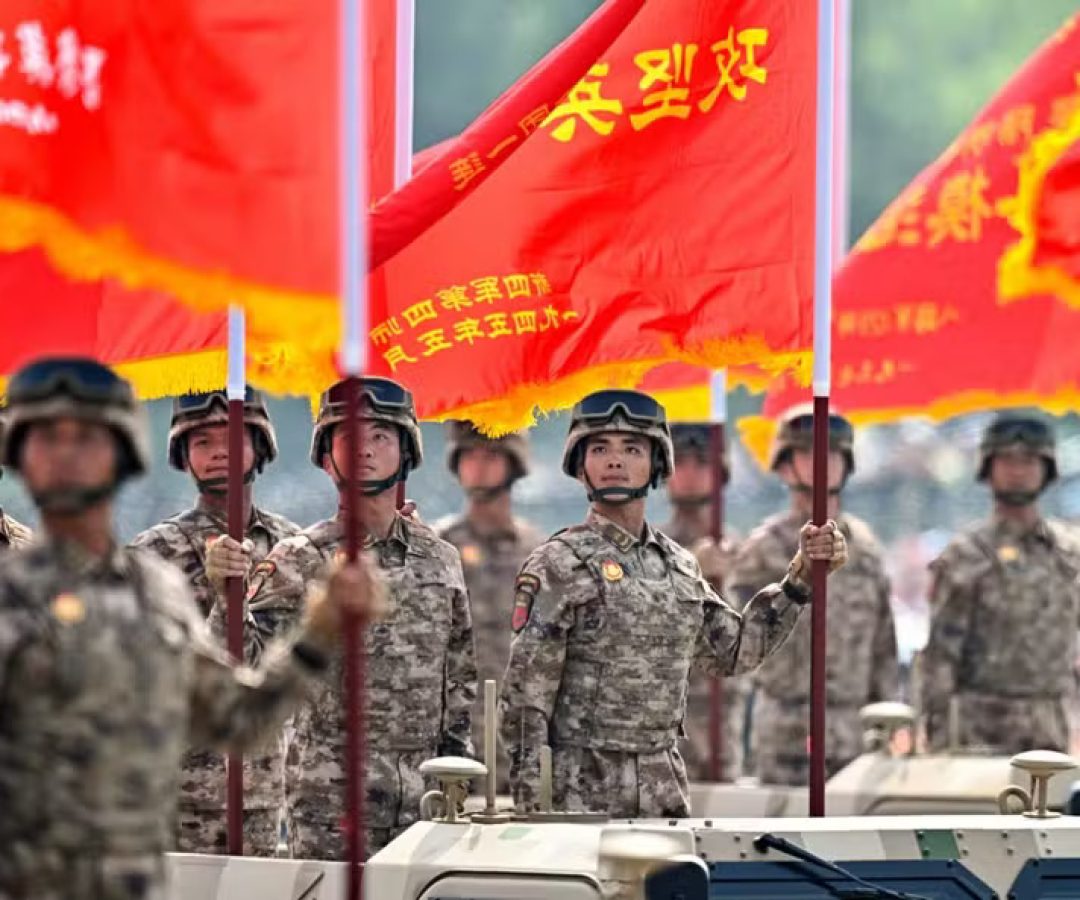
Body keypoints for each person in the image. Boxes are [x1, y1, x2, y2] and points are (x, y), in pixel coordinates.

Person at [0, 356, 379, 897]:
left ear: (122, 454)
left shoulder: (155, 592)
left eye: (86, 438)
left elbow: (238, 719)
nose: (66, 456)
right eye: (46, 439)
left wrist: (317, 635)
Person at [500, 389, 848, 817]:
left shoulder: (679, 565)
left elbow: (734, 652)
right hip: (581, 791)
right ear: (580, 464)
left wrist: (798, 582)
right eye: (600, 448)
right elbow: (525, 701)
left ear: (655, 465)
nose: (615, 461)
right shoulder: (557, 564)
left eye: (632, 449)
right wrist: (533, 809)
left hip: (662, 788)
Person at [243, 376, 477, 858]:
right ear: (328, 457)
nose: (365, 450)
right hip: (330, 800)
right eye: (350, 437)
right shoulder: (297, 559)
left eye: (380, 437)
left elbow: (461, 682)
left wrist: (460, 777)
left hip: (426, 799)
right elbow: (246, 672)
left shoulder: (440, 558)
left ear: (406, 453)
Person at [130, 387, 301, 855]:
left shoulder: (293, 548)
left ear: (259, 445)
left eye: (232, 436)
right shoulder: (152, 555)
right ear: (184, 457)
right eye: (202, 441)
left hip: (270, 796)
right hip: (179, 801)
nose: (219, 451)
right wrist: (219, 598)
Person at [728, 404, 897, 785]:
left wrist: (888, 718)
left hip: (855, 732)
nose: (824, 463)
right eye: (808, 453)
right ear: (785, 467)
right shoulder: (763, 550)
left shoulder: (865, 548)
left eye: (834, 454)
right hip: (786, 731)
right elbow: (735, 643)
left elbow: (883, 646)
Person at [921, 412, 1080, 753]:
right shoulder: (965, 554)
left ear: (1046, 469)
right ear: (989, 469)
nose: (1018, 471)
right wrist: (936, 738)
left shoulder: (1069, 554)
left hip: (1051, 726)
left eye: (1028, 461)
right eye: (1007, 460)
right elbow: (940, 657)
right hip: (978, 732)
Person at [435, 421, 541, 789]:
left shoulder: (538, 553)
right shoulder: (439, 550)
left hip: (520, 738)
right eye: (469, 455)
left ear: (513, 463)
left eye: (491, 455)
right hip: (455, 737)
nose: (478, 465)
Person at [660, 422, 745, 782]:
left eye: (702, 463)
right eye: (682, 464)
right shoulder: (648, 549)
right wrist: (693, 569)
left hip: (723, 722)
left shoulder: (744, 552)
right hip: (667, 723)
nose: (691, 475)